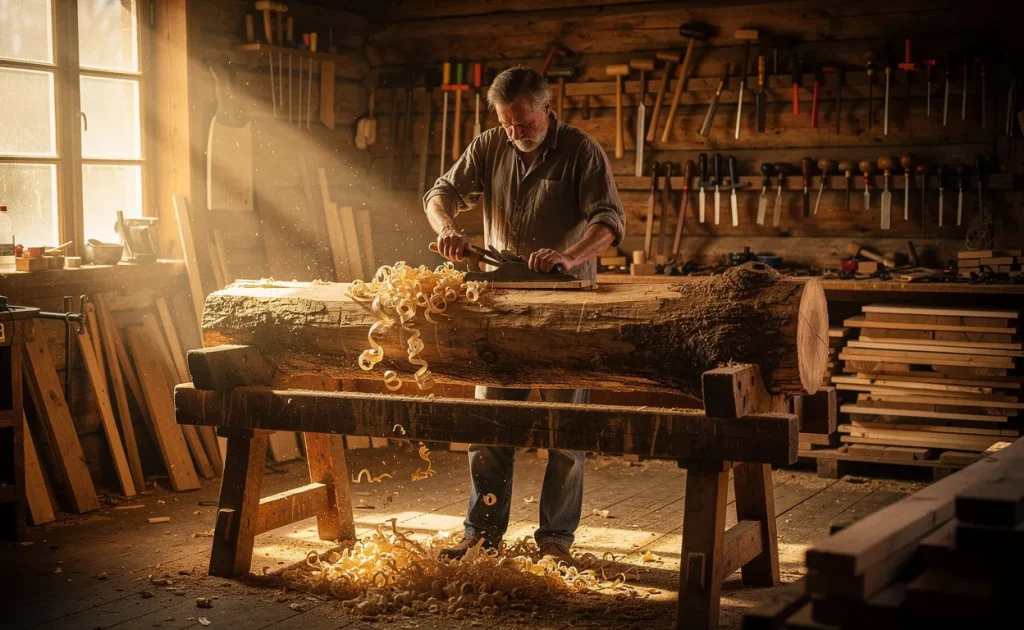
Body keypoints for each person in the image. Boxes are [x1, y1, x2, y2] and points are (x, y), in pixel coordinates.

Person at [422, 66, 626, 563]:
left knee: (565, 432)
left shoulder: (580, 150)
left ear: (547, 109)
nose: (516, 132)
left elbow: (609, 221)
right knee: (488, 425)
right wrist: (447, 228)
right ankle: (481, 533)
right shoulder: (490, 145)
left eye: (525, 122)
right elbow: (439, 195)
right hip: (500, 305)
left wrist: (569, 257)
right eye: (507, 123)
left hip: (563, 309)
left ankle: (555, 540)